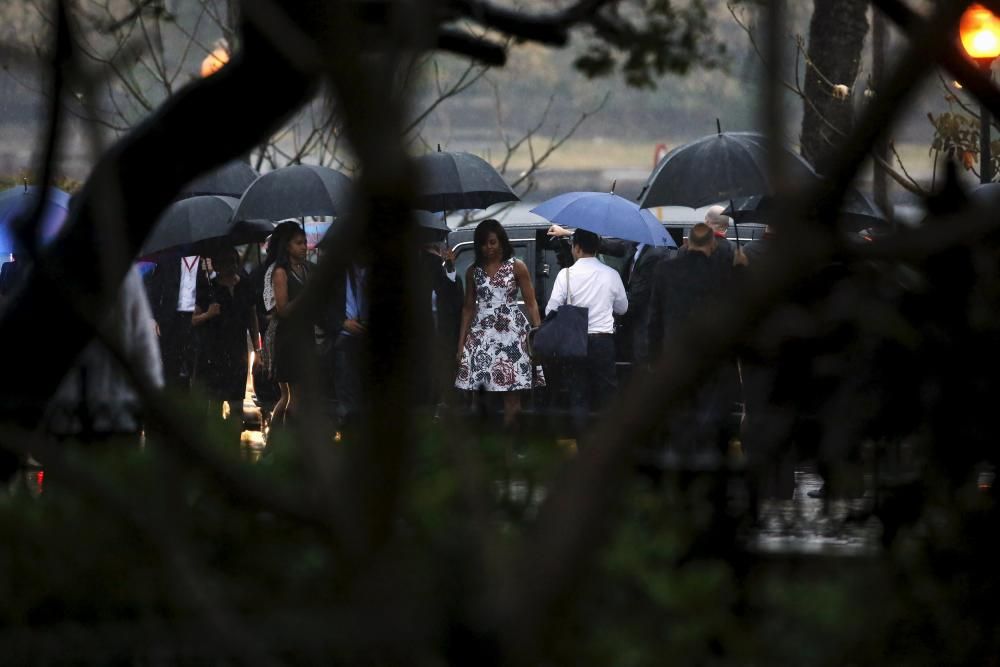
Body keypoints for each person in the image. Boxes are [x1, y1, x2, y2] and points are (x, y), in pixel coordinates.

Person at [648, 222, 741, 462]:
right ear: (712, 244)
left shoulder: (664, 271)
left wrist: (654, 360)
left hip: (675, 359)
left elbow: (654, 321)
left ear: (688, 243)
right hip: (712, 362)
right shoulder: (725, 272)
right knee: (709, 421)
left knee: (678, 418)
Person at [455, 219, 543, 428]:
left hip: (512, 335)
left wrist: (537, 334)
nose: (489, 248)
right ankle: (484, 447)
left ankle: (510, 448)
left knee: (513, 396)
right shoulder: (472, 271)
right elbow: (468, 308)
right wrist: (461, 345)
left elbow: (531, 303)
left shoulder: (517, 267)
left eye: (493, 242)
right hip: (481, 336)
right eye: (484, 243)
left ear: (502, 241)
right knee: (479, 394)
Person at [547, 224, 668, 367]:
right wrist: (568, 233)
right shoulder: (615, 268)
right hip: (603, 339)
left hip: (636, 327)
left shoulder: (653, 255)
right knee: (605, 383)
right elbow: (609, 246)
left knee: (579, 383)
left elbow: (550, 310)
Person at [544, 228, 628, 434]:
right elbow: (623, 308)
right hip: (603, 342)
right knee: (607, 396)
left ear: (577, 248)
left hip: (575, 342)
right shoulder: (612, 274)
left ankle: (584, 446)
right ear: (597, 247)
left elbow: (550, 310)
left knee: (579, 395)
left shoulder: (566, 275)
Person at [192, 247, 261, 441]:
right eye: (225, 262)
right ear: (215, 265)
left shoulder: (245, 286)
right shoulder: (209, 288)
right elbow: (193, 319)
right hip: (214, 354)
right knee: (214, 402)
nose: (230, 266)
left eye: (233, 261)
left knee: (237, 403)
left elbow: (252, 317)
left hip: (238, 353)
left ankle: (234, 443)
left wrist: (258, 350)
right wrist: (208, 314)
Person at [270, 225, 314, 428]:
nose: (304, 247)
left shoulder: (306, 269)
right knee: (294, 395)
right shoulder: (281, 272)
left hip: (305, 335)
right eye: (298, 243)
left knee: (300, 395)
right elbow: (283, 309)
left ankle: (277, 441)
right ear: (287, 246)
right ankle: (286, 443)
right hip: (289, 339)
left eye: (305, 242)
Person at [146, 252, 204, 391]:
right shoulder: (168, 258)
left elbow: (201, 289)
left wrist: (199, 304)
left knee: (185, 361)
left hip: (189, 320)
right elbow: (156, 288)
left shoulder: (198, 259)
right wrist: (154, 317)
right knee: (169, 361)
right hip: (169, 318)